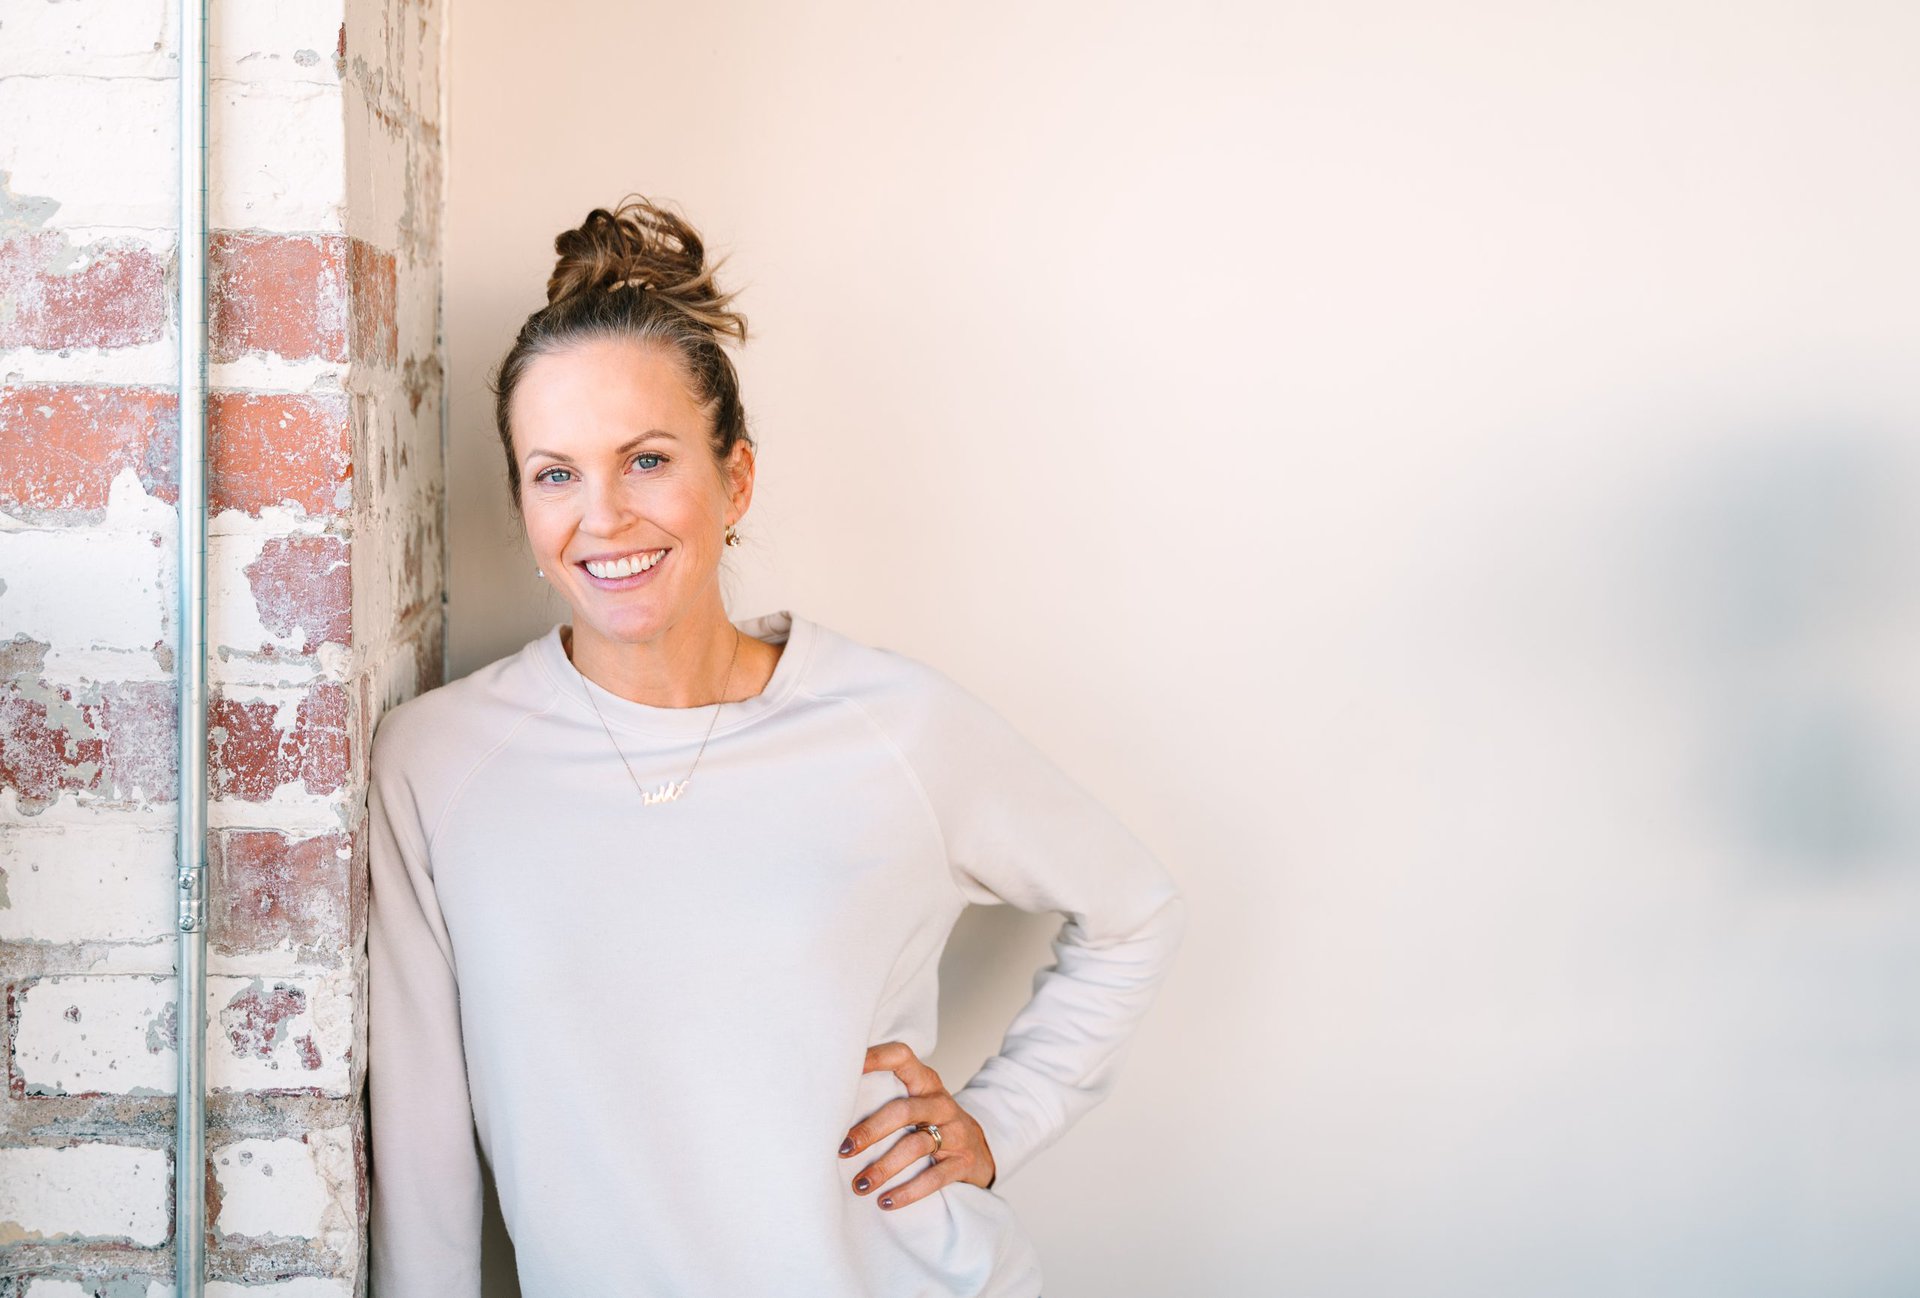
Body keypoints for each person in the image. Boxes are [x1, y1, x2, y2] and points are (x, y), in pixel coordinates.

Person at [366, 194, 1188, 1298]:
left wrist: (998, 1123)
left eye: (647, 459)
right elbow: (421, 1154)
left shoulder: (890, 726)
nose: (602, 516)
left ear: (735, 478)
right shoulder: (436, 763)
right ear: (521, 502)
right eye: (555, 472)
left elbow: (1135, 905)